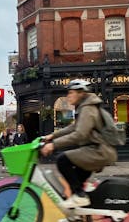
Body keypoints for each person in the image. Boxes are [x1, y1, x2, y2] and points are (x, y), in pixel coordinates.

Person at [40, 79, 117, 209]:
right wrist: (52, 136)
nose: (68, 95)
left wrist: (53, 145)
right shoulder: (85, 107)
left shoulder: (88, 108)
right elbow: (73, 127)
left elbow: (80, 134)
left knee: (63, 160)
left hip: (98, 151)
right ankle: (74, 213)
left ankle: (80, 197)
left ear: (81, 93)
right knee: (74, 184)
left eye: (71, 92)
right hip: (96, 150)